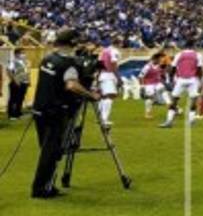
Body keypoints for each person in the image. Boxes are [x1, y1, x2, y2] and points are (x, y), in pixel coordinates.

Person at [30, 29, 99, 199]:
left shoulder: (47, 59)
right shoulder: (69, 64)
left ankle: (47, 185)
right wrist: (91, 95)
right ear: (73, 43)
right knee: (52, 151)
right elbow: (72, 85)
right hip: (56, 111)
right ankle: (41, 189)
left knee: (46, 150)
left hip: (40, 109)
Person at [162, 39, 201, 128]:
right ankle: (191, 121)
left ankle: (169, 121)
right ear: (193, 46)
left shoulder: (179, 55)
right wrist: (200, 79)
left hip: (181, 79)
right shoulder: (198, 55)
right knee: (194, 100)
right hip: (193, 80)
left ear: (185, 46)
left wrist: (171, 78)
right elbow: (199, 69)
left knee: (174, 100)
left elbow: (173, 68)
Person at [96, 38, 121, 131]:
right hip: (109, 74)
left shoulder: (103, 51)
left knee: (103, 97)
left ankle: (100, 117)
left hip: (102, 74)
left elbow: (99, 64)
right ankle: (104, 119)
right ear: (118, 43)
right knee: (110, 96)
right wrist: (118, 77)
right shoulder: (114, 51)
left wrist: (97, 77)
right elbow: (114, 64)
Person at [139, 51, 170, 119]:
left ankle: (171, 109)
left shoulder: (159, 66)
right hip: (149, 84)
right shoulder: (147, 67)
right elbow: (140, 76)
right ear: (154, 59)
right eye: (159, 59)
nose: (160, 60)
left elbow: (162, 72)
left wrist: (164, 73)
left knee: (165, 93)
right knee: (149, 98)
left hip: (157, 83)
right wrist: (142, 86)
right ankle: (148, 113)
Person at [6, 47, 30, 119]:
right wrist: (15, 80)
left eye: (24, 53)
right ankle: (11, 114)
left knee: (21, 98)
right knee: (13, 99)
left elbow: (26, 72)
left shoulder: (24, 61)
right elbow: (9, 71)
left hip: (24, 82)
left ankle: (18, 113)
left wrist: (28, 81)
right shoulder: (13, 61)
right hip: (16, 83)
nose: (23, 54)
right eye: (22, 53)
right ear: (16, 54)